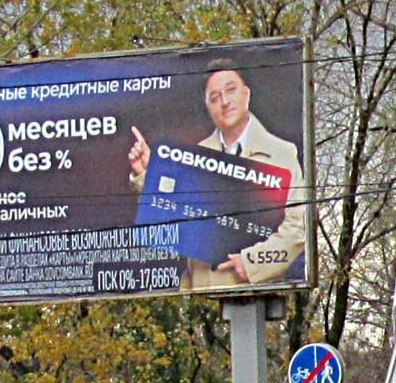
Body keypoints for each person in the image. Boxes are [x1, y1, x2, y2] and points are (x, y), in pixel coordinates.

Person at [128, 67, 308, 291]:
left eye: (230, 90)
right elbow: (172, 220)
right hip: (201, 295)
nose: (224, 101)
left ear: (246, 94)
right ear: (208, 107)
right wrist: (148, 175)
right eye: (215, 97)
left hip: (255, 294)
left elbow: (298, 228)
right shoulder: (194, 157)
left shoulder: (281, 153)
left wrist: (251, 264)